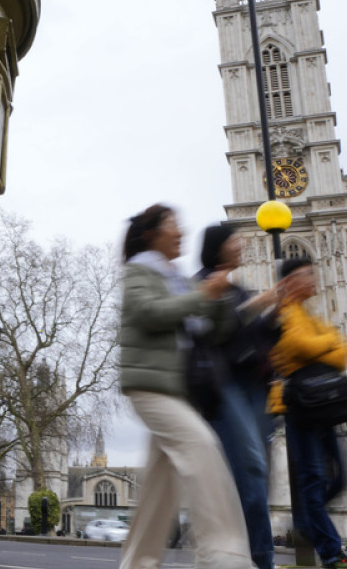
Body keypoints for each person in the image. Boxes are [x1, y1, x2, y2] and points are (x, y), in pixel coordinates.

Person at [117, 204, 256, 569]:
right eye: (172, 224)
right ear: (151, 233)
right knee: (203, 447)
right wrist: (203, 297)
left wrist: (221, 295)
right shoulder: (138, 272)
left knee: (159, 492)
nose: (180, 232)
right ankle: (222, 555)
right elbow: (150, 313)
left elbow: (214, 329)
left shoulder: (175, 277)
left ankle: (137, 563)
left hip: (176, 388)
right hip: (150, 385)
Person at [269, 258, 347, 569]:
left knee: (339, 478)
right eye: (304, 275)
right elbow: (301, 344)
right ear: (288, 282)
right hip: (301, 405)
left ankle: (303, 524)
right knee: (313, 478)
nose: (312, 280)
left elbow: (342, 352)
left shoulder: (308, 315)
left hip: (320, 405)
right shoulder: (286, 313)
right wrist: (328, 345)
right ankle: (330, 552)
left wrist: (327, 347)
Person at [197, 225, 281, 569]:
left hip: (254, 391)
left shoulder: (237, 288)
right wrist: (258, 305)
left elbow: (255, 336)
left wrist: (275, 315)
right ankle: (258, 559)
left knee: (257, 476)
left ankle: (250, 554)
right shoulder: (205, 284)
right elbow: (213, 330)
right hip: (225, 386)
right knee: (249, 470)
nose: (241, 245)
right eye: (235, 241)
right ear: (218, 248)